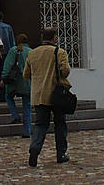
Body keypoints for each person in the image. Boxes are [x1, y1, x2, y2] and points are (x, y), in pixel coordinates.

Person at [24, 27, 71, 167]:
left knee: (40, 125)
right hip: (56, 95)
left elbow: (26, 74)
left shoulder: (32, 53)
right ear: (54, 38)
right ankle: (61, 153)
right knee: (60, 124)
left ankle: (35, 148)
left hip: (39, 95)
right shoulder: (59, 52)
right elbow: (65, 71)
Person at [1, 33, 32, 138]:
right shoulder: (32, 52)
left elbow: (8, 65)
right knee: (27, 106)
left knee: (8, 96)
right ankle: (27, 131)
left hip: (15, 81)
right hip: (28, 82)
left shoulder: (14, 50)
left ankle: (15, 115)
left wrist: (3, 78)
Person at [0, 12, 16, 101]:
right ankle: (7, 93)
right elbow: (12, 42)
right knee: (7, 73)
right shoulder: (8, 27)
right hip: (7, 53)